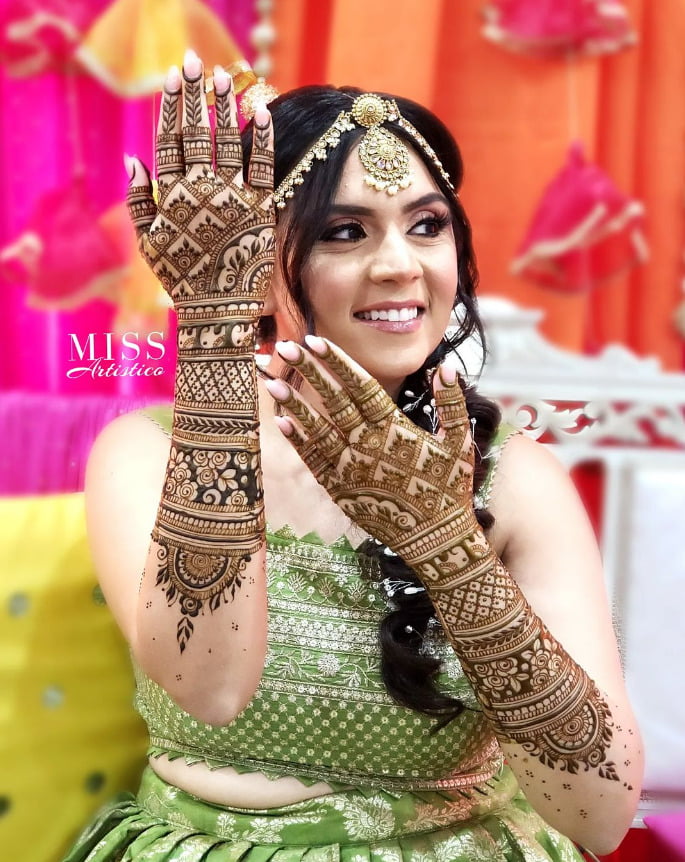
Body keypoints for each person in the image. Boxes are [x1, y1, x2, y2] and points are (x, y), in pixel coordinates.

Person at [65, 48, 643, 862]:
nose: (401, 266)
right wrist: (214, 334)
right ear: (252, 259)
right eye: (344, 231)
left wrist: (445, 544)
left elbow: (599, 814)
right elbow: (209, 686)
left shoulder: (512, 478)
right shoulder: (144, 453)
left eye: (427, 225)